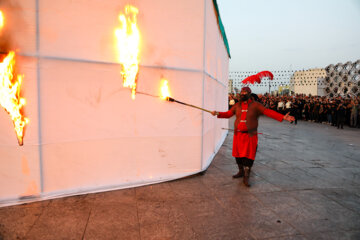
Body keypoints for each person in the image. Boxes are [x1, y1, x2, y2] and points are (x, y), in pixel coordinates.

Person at [211, 87, 294, 187]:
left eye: (245, 92)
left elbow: (268, 112)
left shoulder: (256, 105)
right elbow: (228, 114)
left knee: (248, 156)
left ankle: (246, 176)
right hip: (238, 135)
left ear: (249, 93)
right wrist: (217, 113)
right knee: (237, 155)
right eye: (241, 92)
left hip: (250, 135)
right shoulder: (237, 105)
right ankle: (241, 172)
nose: (242, 93)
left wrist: (282, 117)